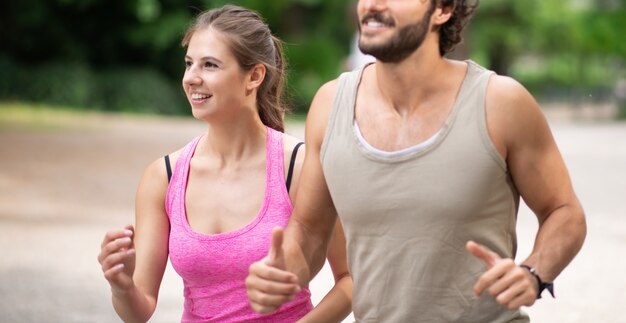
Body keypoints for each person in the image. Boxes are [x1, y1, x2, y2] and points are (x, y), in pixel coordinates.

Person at [246, 0, 587, 322]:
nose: (372, 5)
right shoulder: (329, 104)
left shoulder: (500, 102)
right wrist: (283, 272)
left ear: (443, 9)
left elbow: (564, 211)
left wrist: (533, 273)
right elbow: (309, 229)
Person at [97, 5, 352, 323]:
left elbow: (350, 279)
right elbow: (140, 309)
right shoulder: (163, 176)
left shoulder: (300, 168)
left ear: (255, 76)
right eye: (189, 64)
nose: (191, 78)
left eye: (210, 65)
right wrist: (121, 287)